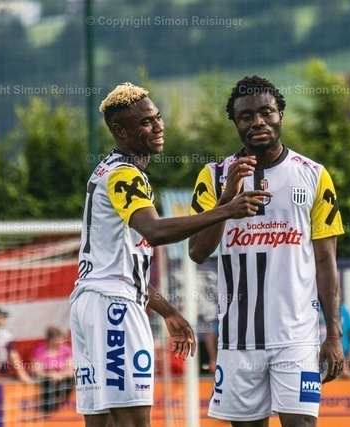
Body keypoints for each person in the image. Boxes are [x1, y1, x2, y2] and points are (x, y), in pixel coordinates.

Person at [70, 82, 269, 427]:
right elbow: (155, 231)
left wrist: (167, 310)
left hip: (92, 302)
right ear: (120, 131)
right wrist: (227, 209)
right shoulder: (124, 175)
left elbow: (118, 266)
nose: (158, 127)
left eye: (157, 117)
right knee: (135, 422)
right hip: (114, 308)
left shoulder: (106, 169)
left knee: (102, 423)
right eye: (146, 122)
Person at [188, 75, 345, 427]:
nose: (257, 122)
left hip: (297, 338)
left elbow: (326, 262)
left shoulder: (314, 175)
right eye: (246, 116)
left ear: (280, 115)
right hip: (238, 340)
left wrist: (333, 334)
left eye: (266, 112)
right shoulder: (213, 176)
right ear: (236, 123)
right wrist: (227, 199)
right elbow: (197, 251)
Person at [30, 326, 74, 414]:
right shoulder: (39, 351)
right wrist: (51, 375)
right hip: (46, 380)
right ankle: (47, 409)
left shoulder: (66, 350)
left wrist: (59, 375)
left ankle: (60, 402)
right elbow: (36, 371)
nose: (59, 343)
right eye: (55, 340)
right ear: (49, 340)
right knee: (48, 382)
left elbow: (71, 371)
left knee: (72, 379)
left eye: (60, 340)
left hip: (62, 379)